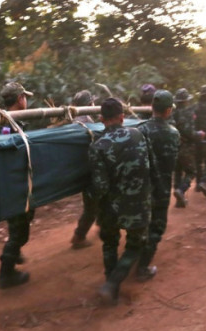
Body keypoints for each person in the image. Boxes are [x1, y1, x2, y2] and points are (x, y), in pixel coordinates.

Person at [88, 98, 152, 305]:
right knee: (135, 244)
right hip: (138, 204)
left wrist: (97, 208)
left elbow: (100, 187)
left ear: (101, 119)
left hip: (112, 207)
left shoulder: (98, 146)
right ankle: (112, 283)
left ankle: (111, 291)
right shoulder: (138, 134)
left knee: (109, 244)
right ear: (122, 117)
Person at [136, 90, 180, 281]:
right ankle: (142, 267)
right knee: (157, 226)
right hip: (161, 188)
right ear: (168, 110)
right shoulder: (173, 134)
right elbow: (173, 160)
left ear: (151, 108)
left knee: (140, 223)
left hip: (140, 188)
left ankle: (133, 254)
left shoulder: (140, 130)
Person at [0, 81, 35, 288]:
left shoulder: (7, 121)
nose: (26, 100)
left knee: (21, 224)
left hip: (14, 184)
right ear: (20, 99)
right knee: (20, 232)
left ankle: (14, 253)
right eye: (25, 97)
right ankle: (6, 274)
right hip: (14, 186)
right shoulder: (8, 125)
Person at [69, 89, 97, 249]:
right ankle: (79, 236)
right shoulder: (87, 122)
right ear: (89, 104)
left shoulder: (74, 121)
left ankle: (100, 225)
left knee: (95, 203)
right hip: (91, 170)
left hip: (82, 168)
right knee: (92, 206)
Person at [171, 88, 204, 208]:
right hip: (186, 147)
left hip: (174, 147)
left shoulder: (172, 113)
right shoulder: (187, 113)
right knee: (191, 171)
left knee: (178, 172)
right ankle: (181, 190)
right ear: (185, 101)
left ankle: (179, 201)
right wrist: (199, 134)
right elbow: (189, 132)